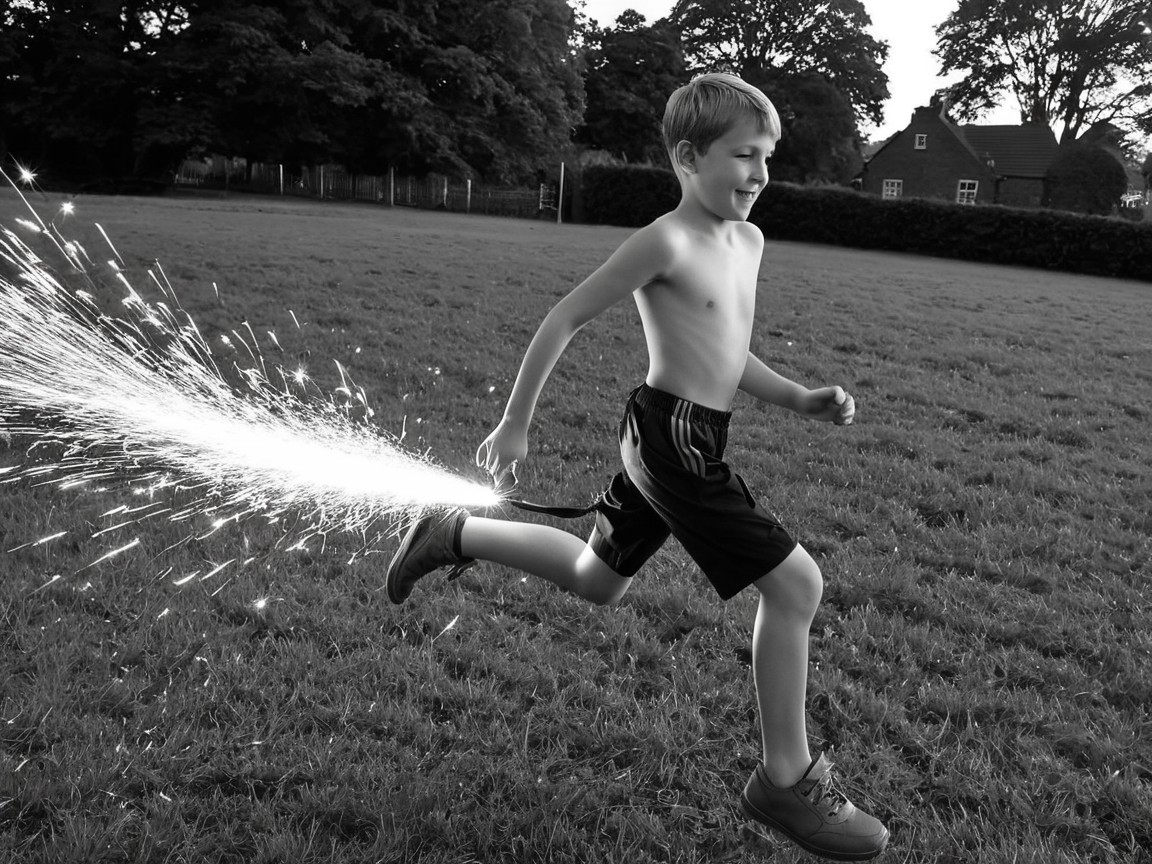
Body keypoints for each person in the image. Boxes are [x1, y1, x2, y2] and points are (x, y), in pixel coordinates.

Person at [386, 72, 889, 861]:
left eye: (768, 158)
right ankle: (786, 780)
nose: (760, 174)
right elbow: (565, 318)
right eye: (744, 156)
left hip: (692, 434)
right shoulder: (665, 240)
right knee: (797, 585)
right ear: (689, 157)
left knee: (598, 581)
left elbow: (727, 346)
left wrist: (796, 396)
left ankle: (457, 534)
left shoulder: (748, 240)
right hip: (671, 442)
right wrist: (514, 423)